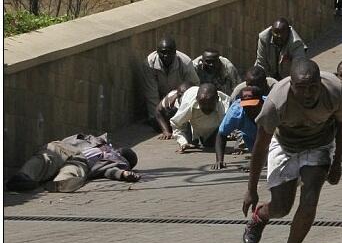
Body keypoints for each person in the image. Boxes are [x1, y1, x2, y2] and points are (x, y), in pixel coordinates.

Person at [241, 58, 342, 243]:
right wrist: (251, 189)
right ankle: (260, 217)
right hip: (285, 145)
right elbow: (260, 147)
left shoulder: (336, 92)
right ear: (291, 85)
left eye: (313, 87)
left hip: (319, 144)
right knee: (282, 207)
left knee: (310, 197)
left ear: (320, 83)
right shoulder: (276, 102)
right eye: (301, 88)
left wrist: (337, 162)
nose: (308, 94)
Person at [6, 133, 139, 193]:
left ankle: (61, 183)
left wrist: (123, 174)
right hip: (65, 149)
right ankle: (23, 177)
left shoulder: (114, 162)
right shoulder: (94, 140)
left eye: (119, 152)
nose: (114, 150)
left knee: (74, 169)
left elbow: (109, 172)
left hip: (82, 161)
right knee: (47, 157)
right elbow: (70, 140)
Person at [142, 36, 199, 130]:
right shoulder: (149, 63)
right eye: (163, 52)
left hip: (181, 97)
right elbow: (151, 93)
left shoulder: (185, 62)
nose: (166, 55)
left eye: (169, 52)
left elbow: (194, 86)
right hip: (161, 99)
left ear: (175, 52)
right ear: (157, 52)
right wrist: (155, 118)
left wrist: (178, 95)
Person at [212, 86, 263, 171]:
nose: (249, 109)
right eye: (246, 106)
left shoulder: (271, 108)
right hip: (251, 139)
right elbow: (221, 134)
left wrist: (255, 162)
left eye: (252, 106)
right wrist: (219, 160)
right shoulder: (235, 112)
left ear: (261, 102)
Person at [170, 83, 230, 153]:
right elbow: (176, 123)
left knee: (210, 144)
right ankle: (194, 136)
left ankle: (204, 137)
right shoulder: (188, 104)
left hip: (212, 126)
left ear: (217, 99)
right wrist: (182, 142)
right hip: (190, 116)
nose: (206, 107)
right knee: (191, 142)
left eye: (210, 104)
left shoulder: (226, 105)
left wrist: (239, 144)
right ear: (197, 100)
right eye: (203, 104)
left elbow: (238, 122)